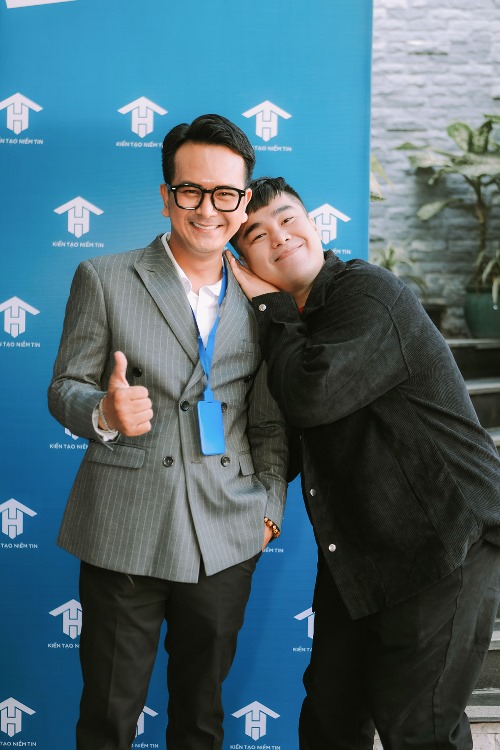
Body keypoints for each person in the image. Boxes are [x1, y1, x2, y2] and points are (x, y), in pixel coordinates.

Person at [227, 176, 500, 750]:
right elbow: (286, 441)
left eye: (288, 218)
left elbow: (314, 396)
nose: (280, 236)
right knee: (330, 716)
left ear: (315, 224)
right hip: (360, 548)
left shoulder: (366, 292)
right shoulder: (288, 326)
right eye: (257, 233)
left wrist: (269, 306)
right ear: (244, 259)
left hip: (443, 538)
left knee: (420, 726)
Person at [48, 118, 289, 750]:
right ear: (166, 195)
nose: (207, 209)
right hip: (122, 528)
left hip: (227, 529)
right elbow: (64, 387)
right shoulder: (104, 277)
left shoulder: (264, 297)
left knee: (201, 719)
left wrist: (268, 506)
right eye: (191, 191)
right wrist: (104, 412)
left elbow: (268, 419)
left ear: (243, 201)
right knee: (108, 717)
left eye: (225, 194)